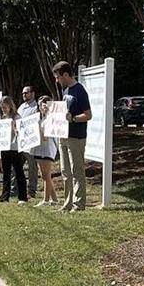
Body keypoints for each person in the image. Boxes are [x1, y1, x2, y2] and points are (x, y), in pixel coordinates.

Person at [52, 60, 91, 212]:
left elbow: (88, 115)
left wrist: (73, 118)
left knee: (77, 171)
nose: (57, 80)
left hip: (76, 136)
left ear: (66, 74)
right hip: (63, 136)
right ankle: (67, 203)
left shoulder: (80, 91)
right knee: (66, 172)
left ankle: (79, 204)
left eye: (58, 77)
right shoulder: (65, 91)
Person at [0, 96, 27, 204]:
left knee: (19, 172)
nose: (3, 109)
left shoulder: (16, 117)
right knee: (6, 173)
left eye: (5, 107)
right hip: (4, 147)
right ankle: (5, 196)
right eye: (1, 108)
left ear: (10, 106)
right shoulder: (1, 118)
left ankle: (22, 197)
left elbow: (20, 131)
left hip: (15, 148)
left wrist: (15, 128)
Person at [33, 95, 60, 207]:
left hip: (48, 149)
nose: (42, 107)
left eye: (45, 105)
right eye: (40, 105)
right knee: (44, 175)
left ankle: (46, 199)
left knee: (46, 175)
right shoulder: (41, 119)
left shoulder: (51, 119)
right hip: (39, 149)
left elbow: (46, 136)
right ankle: (54, 199)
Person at [17, 85, 40, 199]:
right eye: (23, 93)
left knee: (32, 167)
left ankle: (32, 190)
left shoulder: (36, 107)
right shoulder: (21, 107)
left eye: (26, 93)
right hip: (20, 141)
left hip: (31, 142)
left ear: (33, 93)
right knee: (17, 165)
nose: (24, 95)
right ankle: (18, 187)